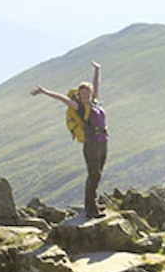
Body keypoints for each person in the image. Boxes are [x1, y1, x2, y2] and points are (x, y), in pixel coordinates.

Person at [31, 61, 109, 218]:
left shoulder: (94, 103)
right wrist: (44, 91)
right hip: (91, 143)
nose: (85, 95)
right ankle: (91, 210)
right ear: (78, 95)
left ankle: (92, 203)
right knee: (93, 174)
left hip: (103, 141)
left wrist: (97, 70)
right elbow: (61, 99)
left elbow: (96, 84)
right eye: (82, 94)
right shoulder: (78, 107)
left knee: (98, 174)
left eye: (87, 92)